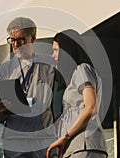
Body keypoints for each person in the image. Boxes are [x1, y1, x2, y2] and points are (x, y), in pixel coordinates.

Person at [0, 17, 65, 158]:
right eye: (12, 40)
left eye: (21, 39)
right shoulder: (4, 70)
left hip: (43, 139)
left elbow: (72, 90)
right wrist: (0, 111)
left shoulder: (49, 63)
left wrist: (60, 121)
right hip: (15, 141)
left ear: (33, 38)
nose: (16, 45)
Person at [46, 29, 108, 158]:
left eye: (56, 50)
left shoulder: (82, 69)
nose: (53, 55)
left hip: (83, 146)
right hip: (78, 147)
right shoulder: (78, 75)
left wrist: (66, 136)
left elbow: (90, 107)